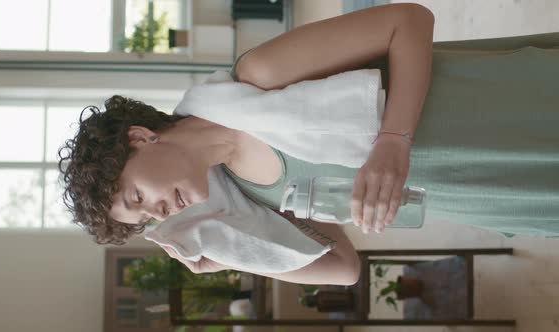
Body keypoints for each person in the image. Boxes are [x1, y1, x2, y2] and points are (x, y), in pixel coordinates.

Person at [58, 4, 559, 285]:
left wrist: (393, 140)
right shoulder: (250, 200)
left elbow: (408, 21)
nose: (158, 212)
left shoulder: (256, 80)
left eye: (138, 197)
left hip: (492, 108)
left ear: (141, 138)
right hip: (487, 188)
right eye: (145, 218)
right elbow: (343, 269)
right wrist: (231, 257)